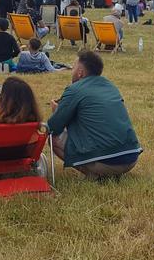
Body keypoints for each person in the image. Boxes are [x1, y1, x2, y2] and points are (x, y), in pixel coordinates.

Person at [47, 51, 142, 179]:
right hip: (131, 157)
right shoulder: (111, 86)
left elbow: (53, 127)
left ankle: (95, 175)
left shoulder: (74, 90)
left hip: (105, 161)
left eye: (74, 67)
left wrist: (57, 111)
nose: (72, 70)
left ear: (80, 72)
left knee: (52, 138)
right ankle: (109, 174)